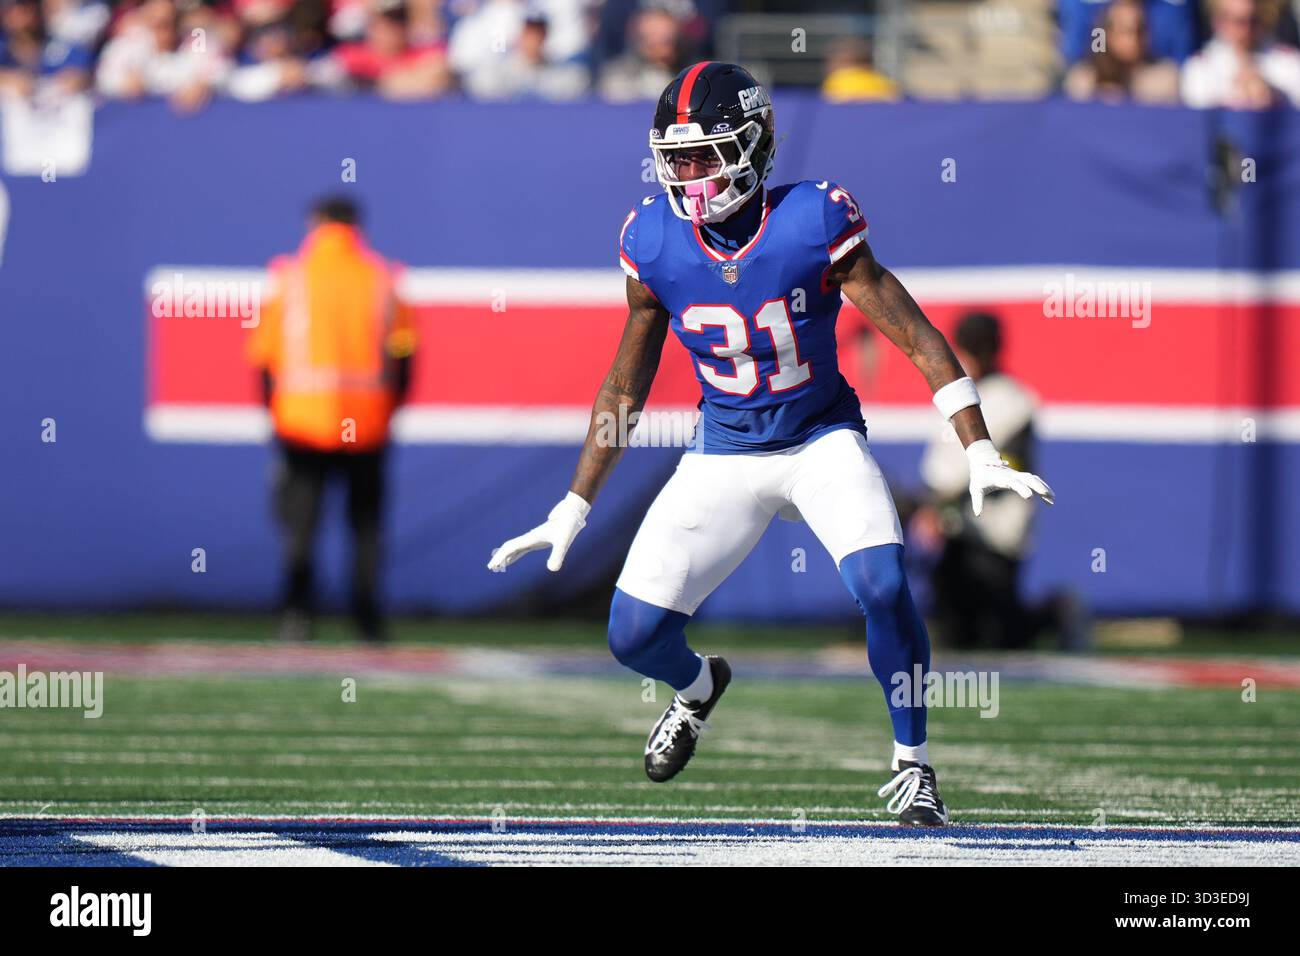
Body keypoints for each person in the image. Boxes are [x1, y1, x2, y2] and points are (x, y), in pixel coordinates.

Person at [488, 62, 1054, 826]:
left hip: (820, 438)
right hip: (723, 450)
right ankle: (696, 689)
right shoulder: (652, 239)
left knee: (884, 587)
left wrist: (980, 448)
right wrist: (574, 502)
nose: (688, 175)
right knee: (632, 635)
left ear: (754, 147)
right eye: (676, 158)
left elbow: (917, 337)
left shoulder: (811, 220)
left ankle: (913, 765)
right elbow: (626, 383)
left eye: (705, 154)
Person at [246, 197, 418, 643]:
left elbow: (264, 360)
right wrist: (388, 409)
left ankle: (296, 616)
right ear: (356, 226)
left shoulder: (291, 278)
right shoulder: (382, 278)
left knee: (301, 525)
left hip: (301, 423)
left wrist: (275, 415)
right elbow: (404, 352)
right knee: (365, 528)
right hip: (368, 423)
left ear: (317, 224)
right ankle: (367, 620)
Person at [1182, 0, 1300, 107]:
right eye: (1239, 22)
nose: (1247, 29)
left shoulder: (1287, 61)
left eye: (1254, 20)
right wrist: (1238, 94)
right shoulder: (1201, 66)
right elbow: (1198, 111)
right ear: (1218, 22)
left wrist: (1272, 94)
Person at [1063, 0, 1181, 103]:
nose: (1134, 39)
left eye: (1140, 30)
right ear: (1107, 35)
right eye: (1126, 31)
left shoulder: (1164, 81)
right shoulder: (1083, 81)